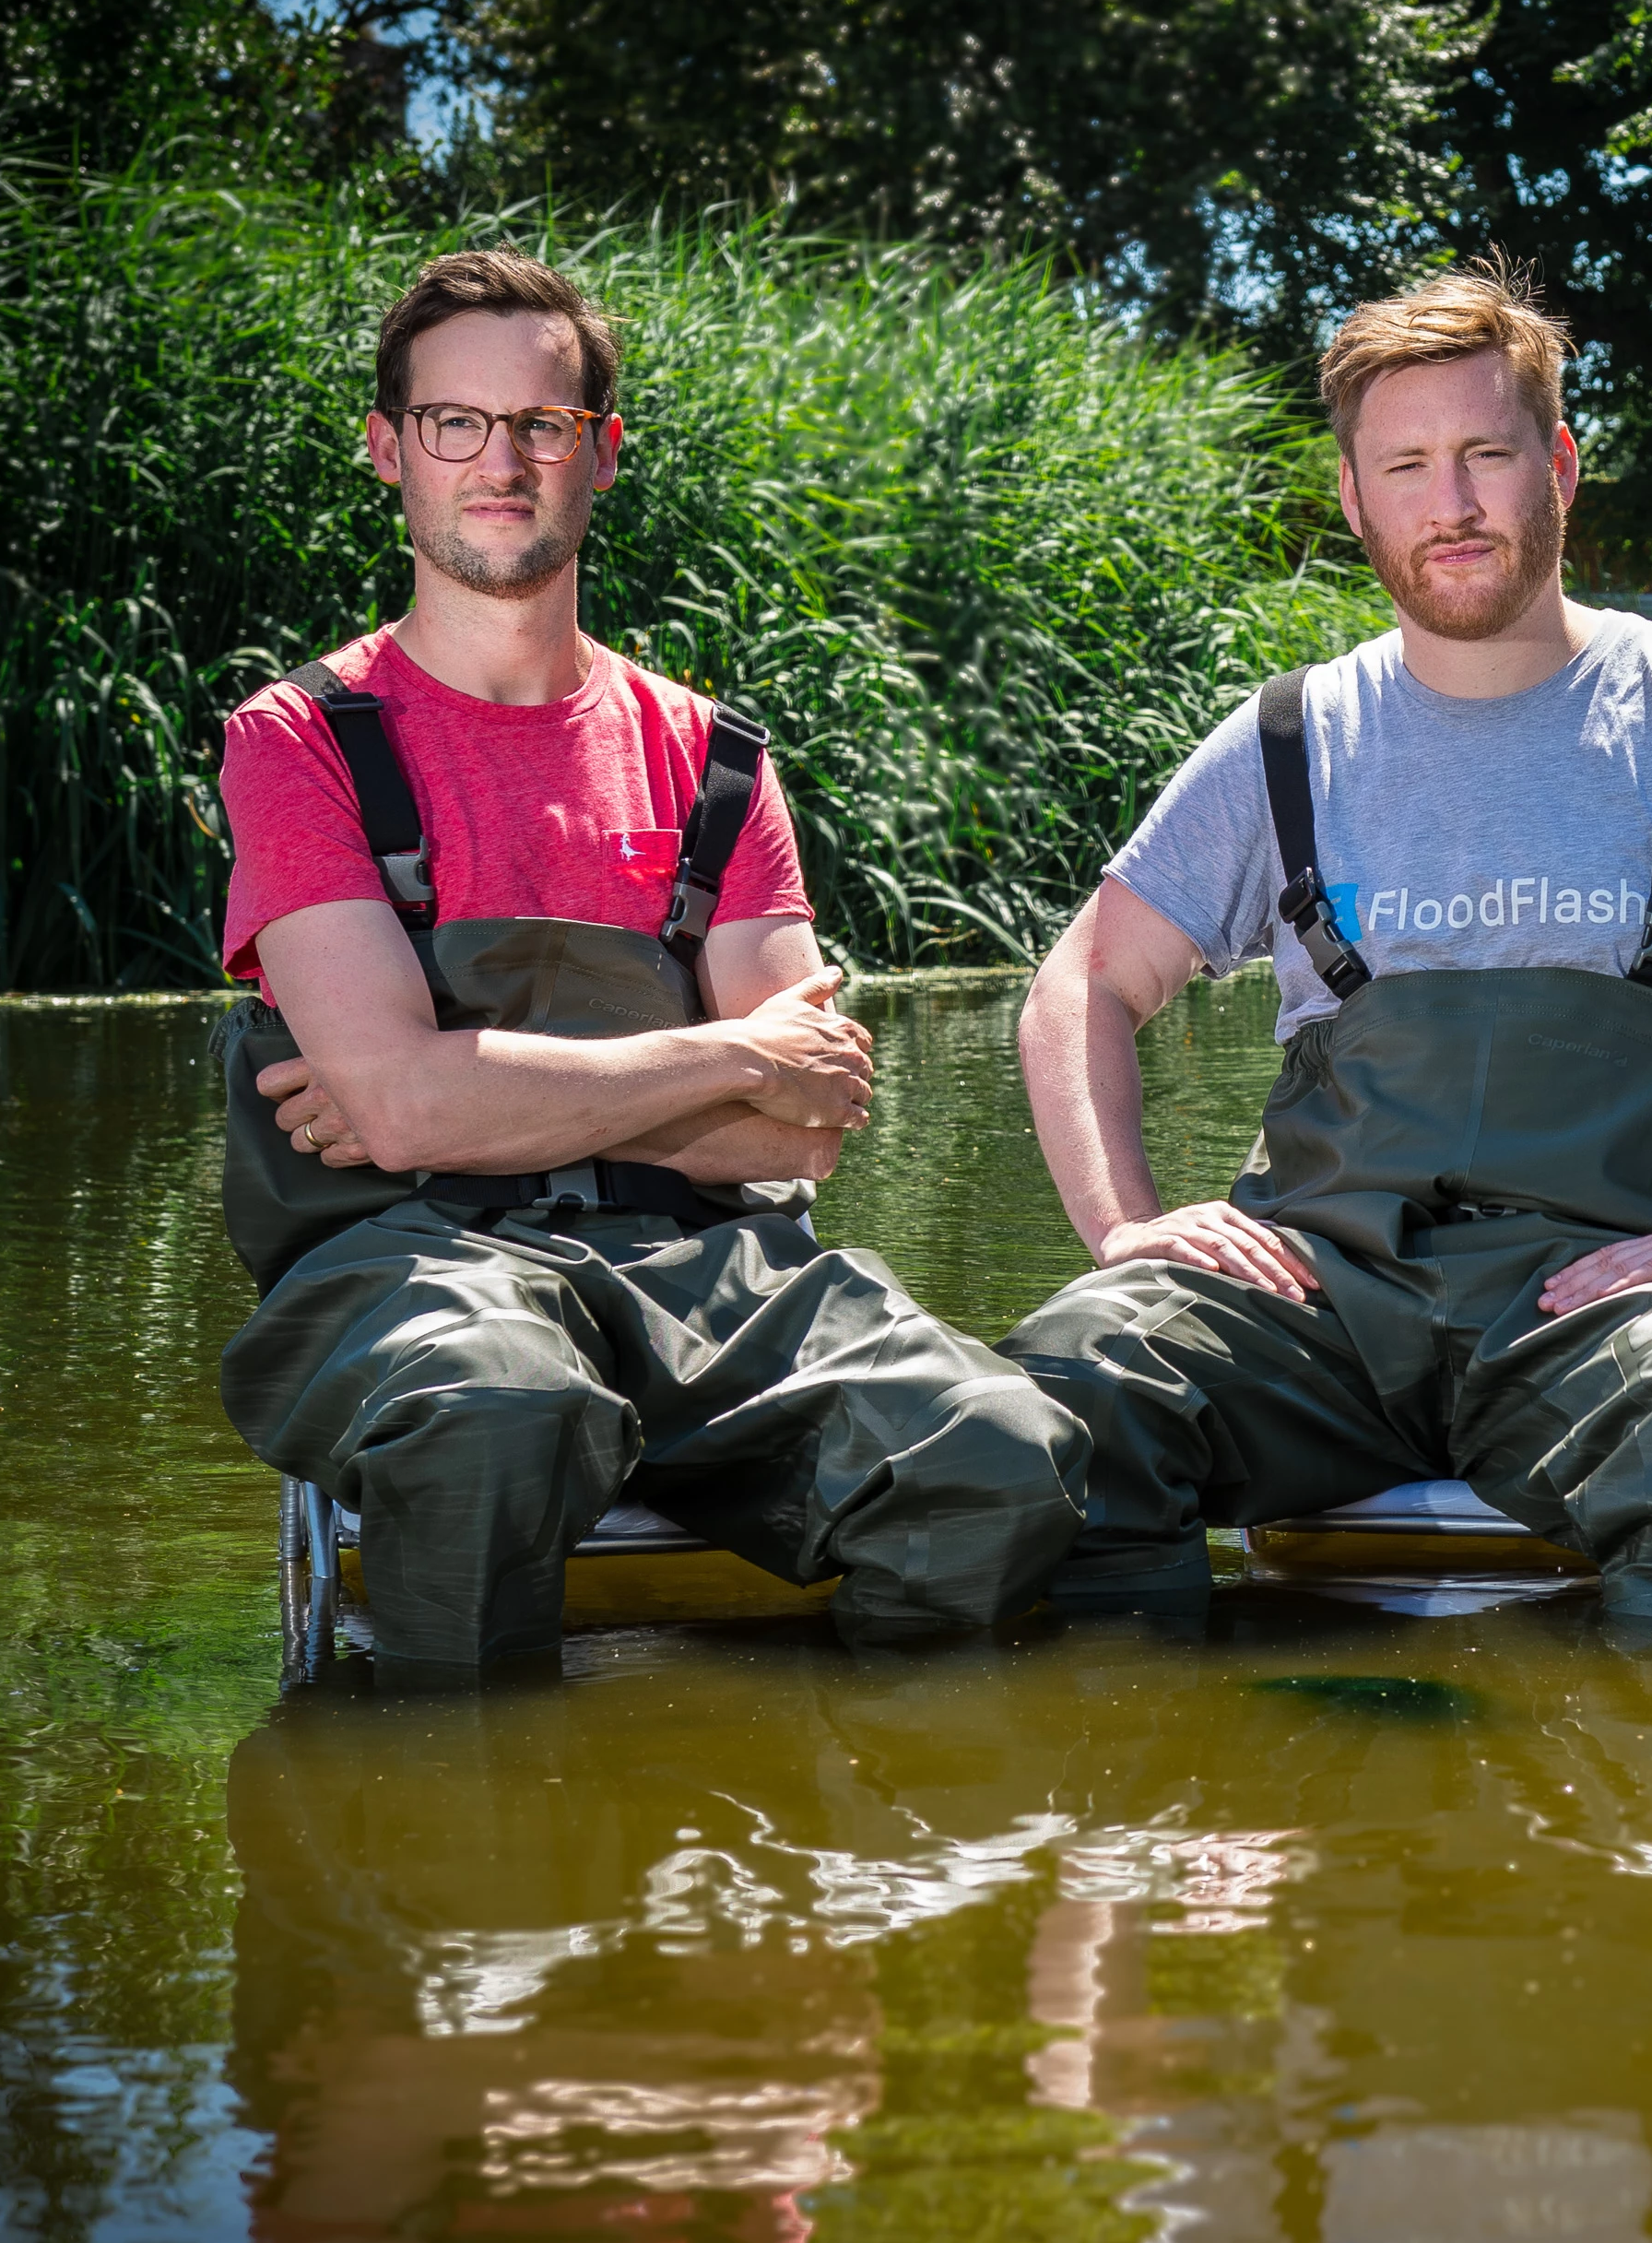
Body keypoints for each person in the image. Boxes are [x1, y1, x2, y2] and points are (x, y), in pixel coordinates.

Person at [998, 262, 1652, 1623]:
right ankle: (1201, 1780)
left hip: (1604, 1307)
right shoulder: (1288, 737)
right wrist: (1128, 1230)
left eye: (1483, 456)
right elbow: (1079, 987)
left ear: (1559, 466)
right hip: (1319, 1303)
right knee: (1071, 1382)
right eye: (1403, 466)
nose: (1447, 506)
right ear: (1351, 498)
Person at [213, 249, 1083, 1673]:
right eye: (456, 423)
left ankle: (810, 1832)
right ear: (390, 450)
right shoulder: (300, 741)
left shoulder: (717, 761)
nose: (501, 461)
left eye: (542, 425)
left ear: (600, 454)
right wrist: (730, 1054)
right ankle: (455, 1830)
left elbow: (801, 1139)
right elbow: (417, 1115)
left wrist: (447, 1085)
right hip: (413, 1267)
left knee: (997, 1449)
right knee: (501, 1411)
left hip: (708, 1261)